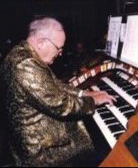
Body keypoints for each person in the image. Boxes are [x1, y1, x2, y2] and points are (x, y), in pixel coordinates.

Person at [0, 17, 116, 167]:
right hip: (43, 153)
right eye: (58, 48)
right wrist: (94, 101)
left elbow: (54, 85)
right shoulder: (24, 65)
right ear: (41, 42)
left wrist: (84, 94)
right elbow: (61, 105)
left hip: (38, 140)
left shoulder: (24, 53)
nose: (60, 53)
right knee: (105, 150)